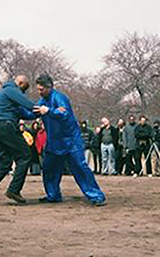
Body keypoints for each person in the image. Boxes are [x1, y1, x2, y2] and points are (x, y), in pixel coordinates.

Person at [32, 74, 106, 205]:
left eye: (41, 89)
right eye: (38, 89)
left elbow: (64, 114)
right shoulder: (42, 101)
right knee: (49, 168)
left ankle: (96, 196)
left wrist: (48, 111)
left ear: (49, 87)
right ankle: (53, 195)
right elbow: (32, 112)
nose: (39, 92)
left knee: (80, 167)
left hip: (71, 140)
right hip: (54, 142)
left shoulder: (59, 98)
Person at [0, 75, 36, 206]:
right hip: (7, 127)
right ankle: (14, 190)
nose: (23, 93)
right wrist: (44, 107)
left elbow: (27, 114)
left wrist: (41, 112)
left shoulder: (8, 98)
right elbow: (28, 105)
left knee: (4, 163)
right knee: (25, 155)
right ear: (20, 83)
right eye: (23, 90)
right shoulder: (11, 90)